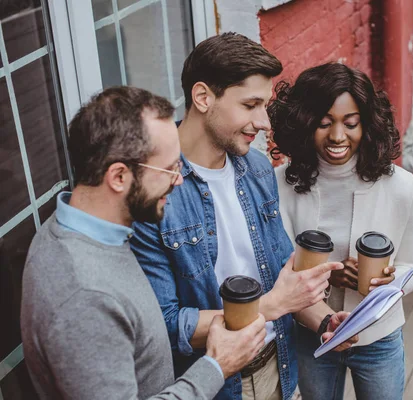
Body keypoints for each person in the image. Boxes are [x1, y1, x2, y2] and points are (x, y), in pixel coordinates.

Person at [131, 33, 356, 400]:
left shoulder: (257, 167)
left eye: (264, 105)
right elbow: (164, 325)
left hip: (280, 368)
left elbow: (281, 278)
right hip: (214, 384)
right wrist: (271, 306)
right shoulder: (155, 189)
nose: (265, 122)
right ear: (203, 98)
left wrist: (325, 320)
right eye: (250, 104)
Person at [21, 86, 268, 400]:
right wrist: (217, 365)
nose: (178, 180)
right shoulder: (84, 297)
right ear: (119, 177)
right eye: (168, 169)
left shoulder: (83, 227)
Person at [269, 62, 413, 400]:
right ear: (303, 123)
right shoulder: (281, 185)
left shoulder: (401, 188)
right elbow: (277, 264)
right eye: (323, 124)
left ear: (367, 125)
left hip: (379, 338)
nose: (338, 136)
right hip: (311, 335)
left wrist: (390, 281)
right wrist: (332, 276)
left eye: (351, 124)